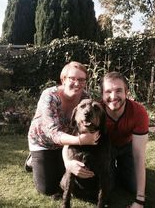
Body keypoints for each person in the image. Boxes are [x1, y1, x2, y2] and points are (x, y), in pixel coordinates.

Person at [63, 71, 149, 207]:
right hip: (104, 147)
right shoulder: (95, 110)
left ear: (126, 92)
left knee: (133, 186)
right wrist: (68, 163)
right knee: (110, 183)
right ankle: (115, 169)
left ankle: (123, 168)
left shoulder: (139, 113)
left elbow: (139, 155)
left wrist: (140, 199)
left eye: (118, 91)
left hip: (126, 147)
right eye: (108, 91)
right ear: (102, 95)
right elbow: (70, 143)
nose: (113, 96)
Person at [26, 61, 99, 196]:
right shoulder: (49, 96)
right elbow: (53, 133)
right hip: (43, 143)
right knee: (48, 189)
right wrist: (81, 141)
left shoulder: (85, 98)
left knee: (69, 175)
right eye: (72, 78)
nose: (77, 83)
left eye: (81, 80)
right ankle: (32, 159)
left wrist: (68, 161)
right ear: (63, 79)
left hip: (69, 142)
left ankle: (56, 161)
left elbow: (86, 124)